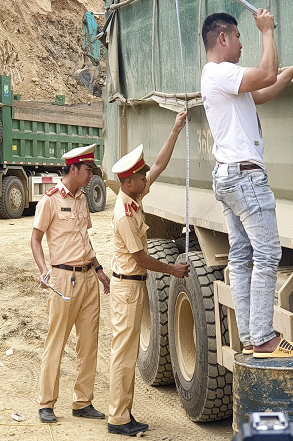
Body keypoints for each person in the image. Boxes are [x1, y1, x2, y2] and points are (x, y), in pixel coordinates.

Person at [200, 10, 293, 359]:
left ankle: (251, 336)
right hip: (245, 176)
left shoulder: (224, 80)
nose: (241, 43)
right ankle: (264, 337)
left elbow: (262, 90)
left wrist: (292, 71)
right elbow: (264, 73)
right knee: (266, 254)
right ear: (223, 38)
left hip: (229, 176)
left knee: (243, 256)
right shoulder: (221, 73)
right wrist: (266, 31)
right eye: (237, 37)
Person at [107, 111, 190, 436]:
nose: (146, 179)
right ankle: (118, 419)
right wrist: (173, 269)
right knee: (124, 356)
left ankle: (123, 415)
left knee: (126, 355)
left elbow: (159, 165)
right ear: (129, 182)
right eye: (140, 177)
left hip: (132, 287)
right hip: (127, 287)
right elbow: (141, 258)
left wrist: (176, 129)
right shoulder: (125, 214)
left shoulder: (134, 195)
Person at [30, 143, 112, 424]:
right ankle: (46, 403)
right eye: (88, 170)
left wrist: (99, 269)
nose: (91, 175)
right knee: (57, 341)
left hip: (89, 277)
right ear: (73, 169)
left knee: (89, 343)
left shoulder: (82, 199)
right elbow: (35, 239)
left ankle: (82, 402)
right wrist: (44, 270)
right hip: (64, 279)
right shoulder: (50, 200)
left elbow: (84, 240)